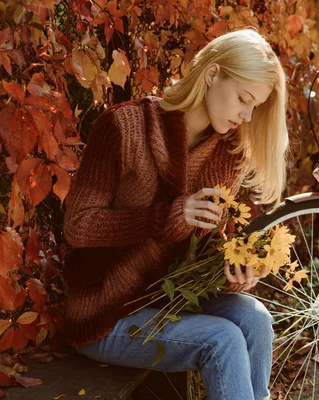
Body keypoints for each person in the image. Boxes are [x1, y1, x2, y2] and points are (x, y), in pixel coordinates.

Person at [62, 28, 290, 400]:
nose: (247, 116)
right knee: (223, 340)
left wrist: (233, 271)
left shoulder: (225, 155)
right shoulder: (123, 127)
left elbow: (201, 251)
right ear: (213, 74)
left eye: (255, 107)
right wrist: (164, 217)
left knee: (255, 319)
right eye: (244, 99)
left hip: (169, 302)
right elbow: (79, 225)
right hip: (105, 313)